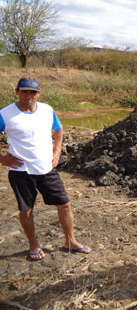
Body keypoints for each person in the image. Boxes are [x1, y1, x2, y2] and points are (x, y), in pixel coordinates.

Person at [0, 77, 90, 261]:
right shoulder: (5, 114)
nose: (29, 96)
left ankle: (70, 241)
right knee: (26, 210)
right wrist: (2, 158)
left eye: (33, 92)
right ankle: (33, 244)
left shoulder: (47, 110)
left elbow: (59, 129)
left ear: (38, 94)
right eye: (24, 91)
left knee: (64, 204)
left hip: (46, 167)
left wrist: (57, 152)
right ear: (17, 92)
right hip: (21, 170)